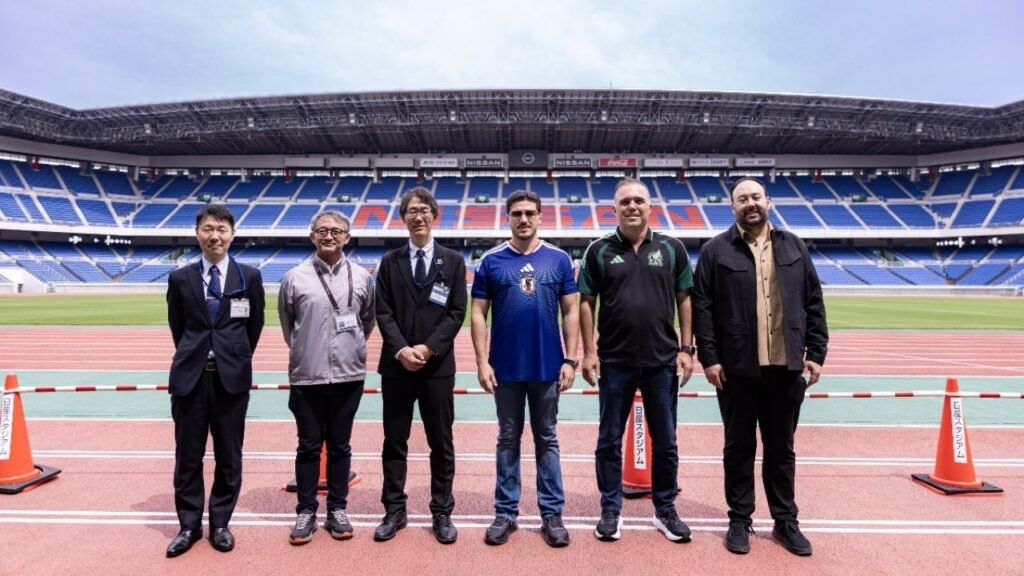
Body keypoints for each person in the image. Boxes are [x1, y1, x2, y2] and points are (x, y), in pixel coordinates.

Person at [692, 177, 828, 557]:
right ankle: (739, 519)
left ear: (768, 201)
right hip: (737, 370)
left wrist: (816, 352)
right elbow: (703, 307)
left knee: (781, 450)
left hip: (786, 367)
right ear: (732, 206)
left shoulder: (794, 246)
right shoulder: (715, 251)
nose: (750, 203)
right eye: (742, 199)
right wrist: (710, 358)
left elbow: (813, 301)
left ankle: (785, 521)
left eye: (755, 197)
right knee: (738, 447)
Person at [578, 178, 695, 543]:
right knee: (608, 440)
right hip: (615, 361)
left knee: (666, 441)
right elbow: (586, 302)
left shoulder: (672, 248)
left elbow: (685, 299)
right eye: (625, 201)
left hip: (662, 361)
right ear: (614, 209)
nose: (632, 206)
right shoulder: (598, 250)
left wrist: (686, 349)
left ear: (649, 207)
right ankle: (610, 509)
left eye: (639, 201)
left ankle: (665, 509)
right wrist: (589, 352)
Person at [471, 189, 579, 548]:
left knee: (547, 438)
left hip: (547, 367)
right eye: (517, 213)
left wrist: (570, 359)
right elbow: (478, 314)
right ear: (508, 217)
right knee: (507, 438)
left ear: (540, 217)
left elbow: (571, 310)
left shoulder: (558, 259)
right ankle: (505, 513)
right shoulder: (491, 261)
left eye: (530, 213)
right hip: (505, 369)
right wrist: (482, 362)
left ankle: (552, 514)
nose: (523, 219)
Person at [165, 204, 265, 557]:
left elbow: (253, 326)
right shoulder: (180, 278)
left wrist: (231, 356)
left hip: (230, 380)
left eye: (222, 229)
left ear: (232, 235)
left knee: (229, 456)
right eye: (208, 229)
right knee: (188, 457)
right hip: (190, 379)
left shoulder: (249, 277)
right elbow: (178, 327)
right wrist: (198, 354)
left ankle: (220, 523)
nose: (215, 236)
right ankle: (189, 526)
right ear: (198, 234)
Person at [373, 187, 467, 544]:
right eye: (412, 210)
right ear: (403, 218)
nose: (419, 216)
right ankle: (394, 510)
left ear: (435, 215)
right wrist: (401, 350)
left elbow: (456, 312)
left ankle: (442, 511)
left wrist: (428, 349)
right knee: (394, 441)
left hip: (437, 368)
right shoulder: (390, 261)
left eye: (425, 210)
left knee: (441, 443)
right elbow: (383, 312)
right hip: (397, 367)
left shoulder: (453, 261)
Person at [278, 210, 375, 545]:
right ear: (312, 236)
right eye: (322, 230)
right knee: (308, 446)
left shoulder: (361, 277)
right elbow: (289, 326)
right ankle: (306, 511)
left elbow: (367, 321)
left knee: (339, 446)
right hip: (307, 376)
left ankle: (337, 509)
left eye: (336, 231)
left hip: (349, 377)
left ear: (347, 237)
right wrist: (308, 351)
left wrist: (350, 349)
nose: (329, 235)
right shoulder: (294, 278)